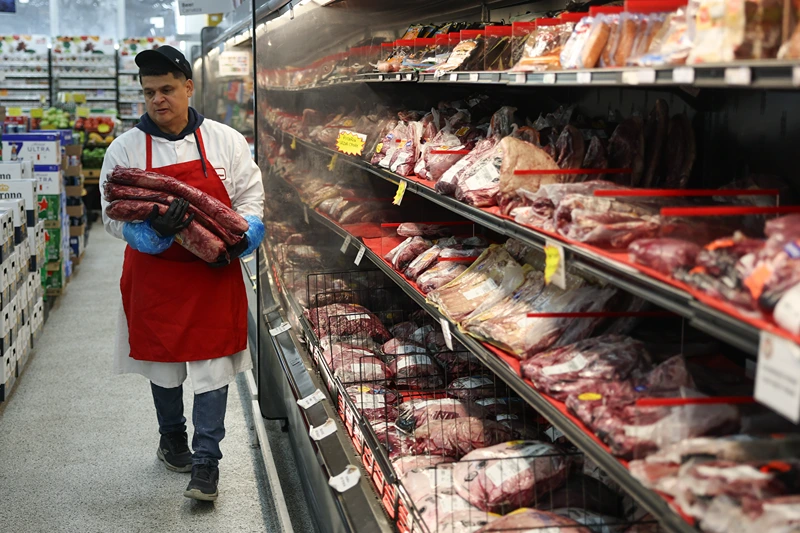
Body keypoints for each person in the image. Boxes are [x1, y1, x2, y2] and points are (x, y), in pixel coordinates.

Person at [99, 46, 265, 502]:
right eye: (149, 91)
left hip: (211, 272)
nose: (158, 99)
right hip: (157, 277)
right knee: (164, 365)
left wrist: (247, 232)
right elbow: (109, 214)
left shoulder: (226, 140)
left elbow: (251, 195)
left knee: (213, 368)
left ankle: (207, 461)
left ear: (188, 87)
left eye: (167, 89)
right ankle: (172, 438)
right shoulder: (124, 149)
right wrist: (146, 233)